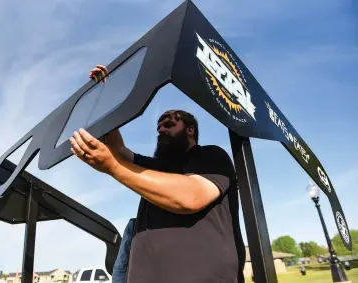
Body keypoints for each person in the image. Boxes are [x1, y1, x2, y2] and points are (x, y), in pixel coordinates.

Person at [69, 65, 246, 282]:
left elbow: (190, 197)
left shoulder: (211, 156)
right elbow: (119, 152)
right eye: (159, 126)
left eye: (169, 124)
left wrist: (113, 168)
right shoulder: (157, 167)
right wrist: (108, 93)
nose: (161, 130)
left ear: (190, 130)